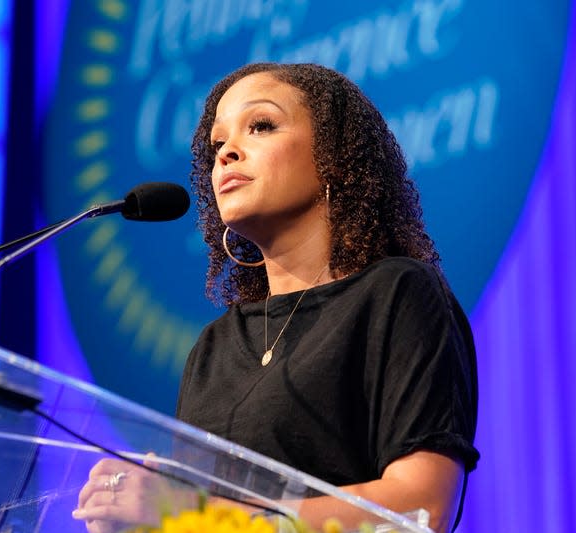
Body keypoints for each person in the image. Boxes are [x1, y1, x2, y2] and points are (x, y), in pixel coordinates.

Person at [72, 62, 479, 533]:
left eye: (260, 126)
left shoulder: (396, 294)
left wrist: (184, 510)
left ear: (334, 155)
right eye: (217, 145)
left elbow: (420, 506)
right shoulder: (214, 348)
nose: (226, 155)